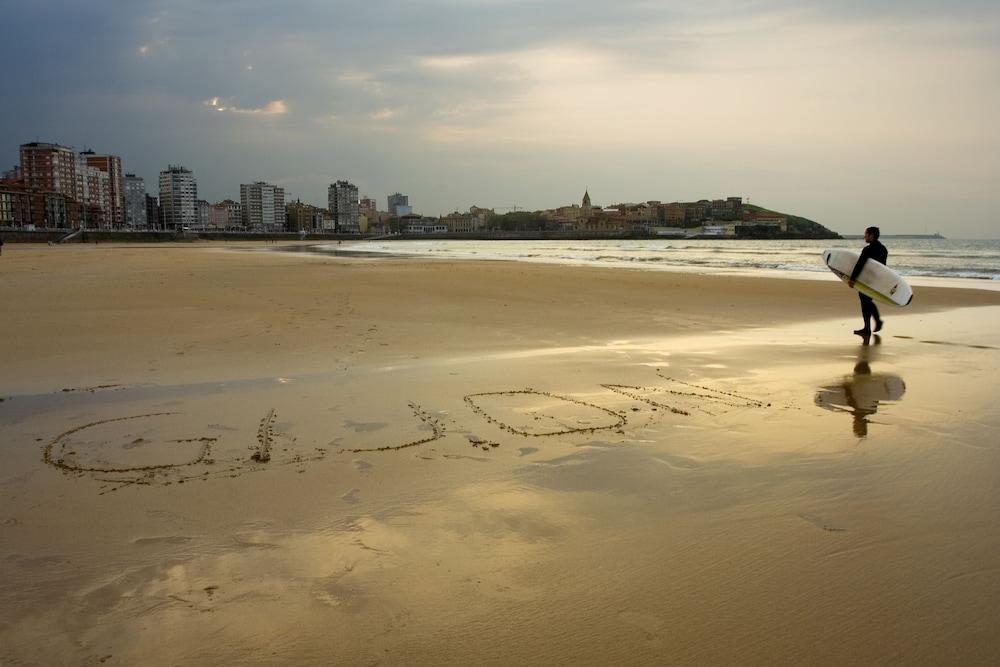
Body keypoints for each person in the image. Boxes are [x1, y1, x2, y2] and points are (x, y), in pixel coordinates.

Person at [848, 226, 887, 336]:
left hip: (866, 280)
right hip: (877, 280)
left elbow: (860, 265)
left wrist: (852, 279)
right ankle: (871, 326)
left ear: (871, 235)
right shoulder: (883, 249)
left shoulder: (868, 249)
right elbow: (883, 268)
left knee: (866, 302)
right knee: (867, 302)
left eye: (866, 234)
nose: (864, 236)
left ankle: (871, 325)